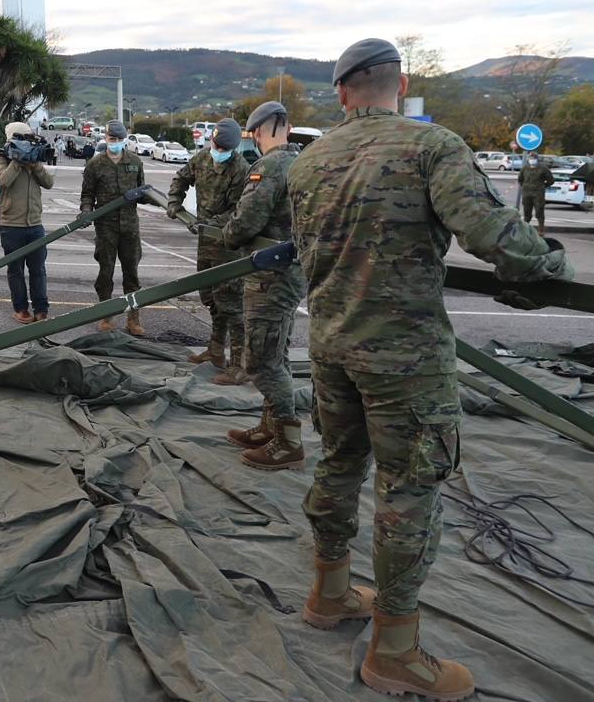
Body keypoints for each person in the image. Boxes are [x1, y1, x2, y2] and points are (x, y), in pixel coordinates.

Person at [289, 38, 572, 700]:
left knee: (336, 464)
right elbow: (492, 234)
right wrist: (549, 263)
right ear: (402, 83)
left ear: (341, 92)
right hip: (404, 359)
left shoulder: (309, 161)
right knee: (410, 493)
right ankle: (394, 652)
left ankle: (329, 594)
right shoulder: (429, 146)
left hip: (329, 344)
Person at [220, 102, 307, 470]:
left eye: (253, 133)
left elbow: (244, 224)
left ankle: (288, 440)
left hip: (270, 276)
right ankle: (270, 427)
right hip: (291, 272)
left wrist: (226, 233)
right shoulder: (302, 162)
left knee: (259, 361)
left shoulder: (269, 167)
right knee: (277, 353)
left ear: (260, 130)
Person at [166, 118, 249, 382]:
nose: (218, 152)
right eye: (216, 146)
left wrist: (209, 223)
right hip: (205, 242)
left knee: (232, 305)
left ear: (232, 148)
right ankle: (215, 351)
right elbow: (181, 178)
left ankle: (239, 364)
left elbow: (239, 210)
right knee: (211, 298)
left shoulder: (241, 169)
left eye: (224, 149)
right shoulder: (202, 158)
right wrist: (174, 201)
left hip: (228, 245)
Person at [79, 120, 145, 335]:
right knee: (105, 272)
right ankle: (106, 315)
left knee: (132, 273)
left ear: (124, 139)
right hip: (105, 227)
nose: (115, 143)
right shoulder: (95, 164)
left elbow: (142, 191)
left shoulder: (135, 162)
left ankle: (133, 318)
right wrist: (86, 211)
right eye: (111, 139)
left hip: (129, 226)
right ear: (106, 139)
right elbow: (87, 194)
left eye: (118, 140)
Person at [0, 122, 54, 323]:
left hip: (35, 224)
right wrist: (17, 161)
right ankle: (20, 308)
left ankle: (41, 309)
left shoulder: (34, 159)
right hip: (11, 224)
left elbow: (49, 183)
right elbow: (3, 181)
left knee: (38, 269)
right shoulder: (2, 157)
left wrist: (35, 164)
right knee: (15, 270)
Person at [517, 151, 554, 235]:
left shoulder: (543, 168)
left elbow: (551, 180)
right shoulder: (525, 168)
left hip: (538, 194)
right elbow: (520, 179)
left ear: (537, 159)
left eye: (533, 158)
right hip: (527, 193)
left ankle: (541, 230)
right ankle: (525, 230)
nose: (532, 160)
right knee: (527, 212)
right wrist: (525, 186)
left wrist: (542, 186)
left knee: (539, 211)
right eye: (530, 158)